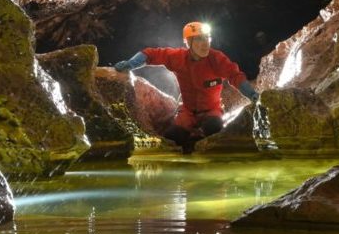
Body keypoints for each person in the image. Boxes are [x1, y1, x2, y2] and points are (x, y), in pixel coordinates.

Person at [108, 22, 260, 154]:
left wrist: (252, 94)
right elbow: (151, 54)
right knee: (173, 137)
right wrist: (131, 64)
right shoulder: (178, 58)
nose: (205, 43)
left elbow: (235, 76)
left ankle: (199, 139)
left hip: (212, 110)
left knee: (214, 128)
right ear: (188, 42)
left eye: (207, 38)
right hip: (187, 111)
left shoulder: (216, 59)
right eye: (199, 39)